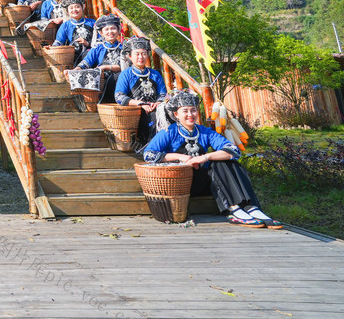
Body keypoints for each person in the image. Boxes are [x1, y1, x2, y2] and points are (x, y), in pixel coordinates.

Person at [143, 90, 282, 228]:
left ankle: (250, 207)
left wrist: (205, 157)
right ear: (176, 114)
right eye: (185, 111)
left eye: (193, 110)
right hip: (183, 183)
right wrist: (180, 157)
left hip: (205, 181)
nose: (190, 114)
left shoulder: (205, 132)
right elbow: (148, 154)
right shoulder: (169, 132)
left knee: (229, 163)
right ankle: (233, 209)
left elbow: (233, 150)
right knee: (217, 164)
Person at [114, 37, 167, 143]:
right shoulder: (126, 74)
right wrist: (141, 104)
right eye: (137, 54)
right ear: (130, 56)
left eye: (143, 54)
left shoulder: (155, 74)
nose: (140, 57)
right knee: (153, 118)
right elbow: (119, 96)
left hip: (155, 108)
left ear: (148, 55)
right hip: (136, 111)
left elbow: (163, 94)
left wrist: (158, 103)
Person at [67, 14, 126, 103]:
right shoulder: (98, 47)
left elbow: (125, 67)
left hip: (119, 79)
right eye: (106, 29)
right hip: (101, 79)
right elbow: (87, 62)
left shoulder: (124, 48)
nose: (110, 32)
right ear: (101, 33)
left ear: (118, 30)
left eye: (113, 28)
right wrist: (74, 70)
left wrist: (105, 67)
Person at [52, 0, 96, 64]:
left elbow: (100, 40)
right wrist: (52, 48)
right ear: (67, 11)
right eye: (71, 8)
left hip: (91, 53)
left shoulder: (92, 22)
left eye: (77, 7)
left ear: (82, 8)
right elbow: (59, 41)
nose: (74, 10)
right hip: (73, 54)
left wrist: (87, 43)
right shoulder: (65, 25)